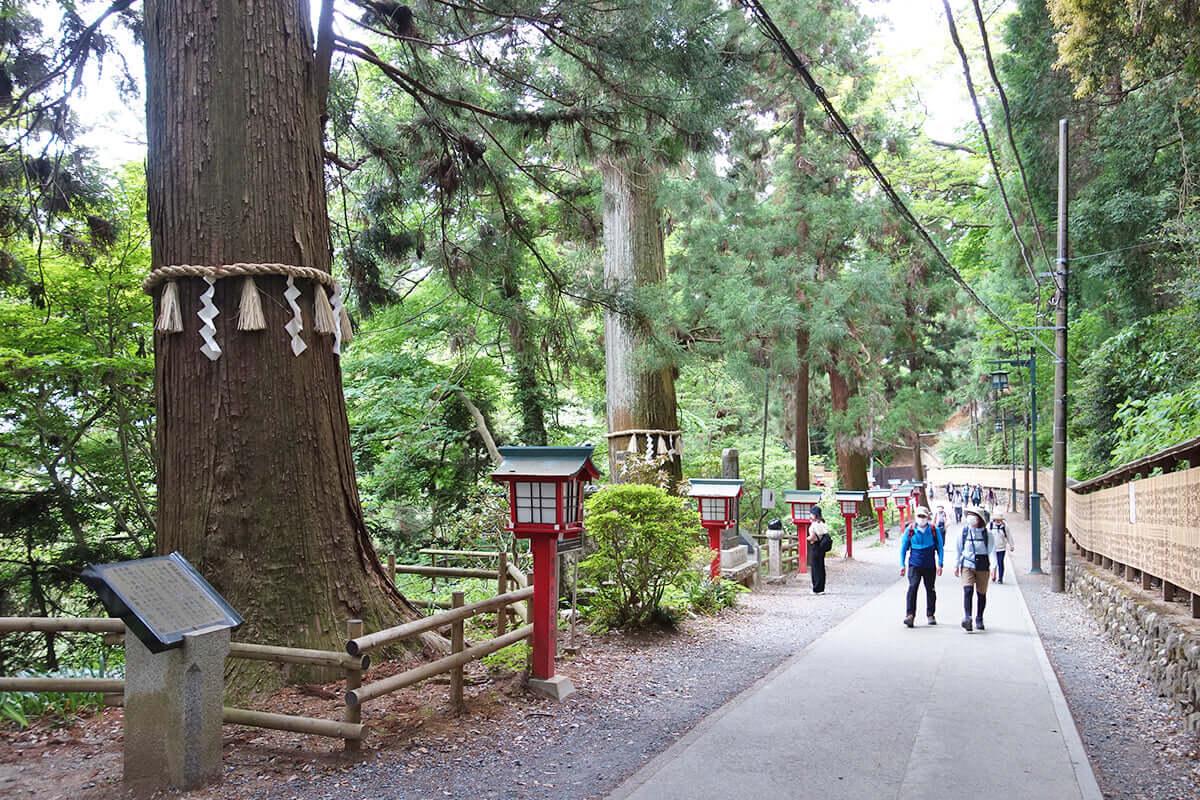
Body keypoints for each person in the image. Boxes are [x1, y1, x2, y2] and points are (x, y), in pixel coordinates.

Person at [900, 505, 944, 627]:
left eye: (923, 516)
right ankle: (910, 615)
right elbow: (903, 547)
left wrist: (940, 563)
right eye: (919, 516)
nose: (921, 518)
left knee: (930, 589)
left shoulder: (934, 530)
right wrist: (902, 564)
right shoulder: (910, 530)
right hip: (914, 564)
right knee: (912, 587)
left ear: (927, 517)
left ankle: (930, 614)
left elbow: (940, 547)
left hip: (929, 564)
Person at [955, 506, 995, 632]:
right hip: (967, 565)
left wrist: (994, 567)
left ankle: (979, 618)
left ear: (980, 519)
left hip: (983, 566)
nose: (970, 518)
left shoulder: (987, 534)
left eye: (974, 515)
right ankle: (967, 618)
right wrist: (956, 565)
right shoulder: (964, 532)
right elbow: (959, 549)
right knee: (968, 590)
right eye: (969, 515)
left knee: (981, 594)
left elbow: (991, 551)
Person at [807, 506, 832, 595]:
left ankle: (816, 589)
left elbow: (812, 537)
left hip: (815, 546)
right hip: (822, 546)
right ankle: (821, 588)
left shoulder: (815, 524)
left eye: (811, 513)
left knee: (815, 568)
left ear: (814, 514)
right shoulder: (822, 523)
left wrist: (807, 538)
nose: (810, 515)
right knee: (821, 567)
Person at [989, 512, 1014, 583]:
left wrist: (1011, 545)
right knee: (993, 562)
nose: (998, 521)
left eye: (999, 519)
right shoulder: (990, 525)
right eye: (996, 519)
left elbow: (1009, 536)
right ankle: (993, 575)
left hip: (1001, 548)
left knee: (1000, 562)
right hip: (992, 548)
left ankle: (1000, 578)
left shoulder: (1004, 526)